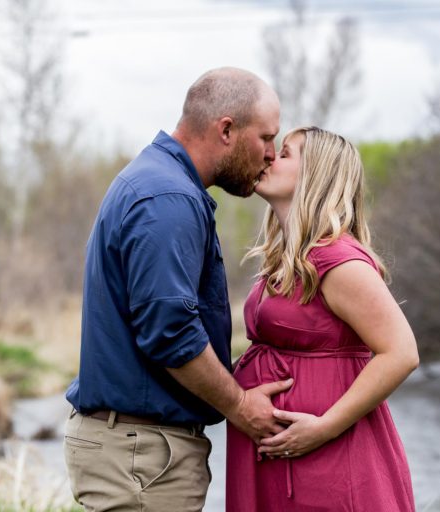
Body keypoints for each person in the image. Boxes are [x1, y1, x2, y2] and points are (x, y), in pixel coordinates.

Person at [63, 67, 294, 512]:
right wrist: (241, 405)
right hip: (142, 460)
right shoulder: (169, 198)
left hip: (136, 454)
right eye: (266, 138)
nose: (270, 154)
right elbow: (170, 332)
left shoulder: (157, 180)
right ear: (226, 129)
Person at [226, 126, 420, 512]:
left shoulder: (338, 260)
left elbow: (401, 353)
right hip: (282, 458)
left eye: (284, 154)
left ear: (315, 174)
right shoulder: (286, 261)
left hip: (326, 459)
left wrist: (323, 427)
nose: (268, 158)